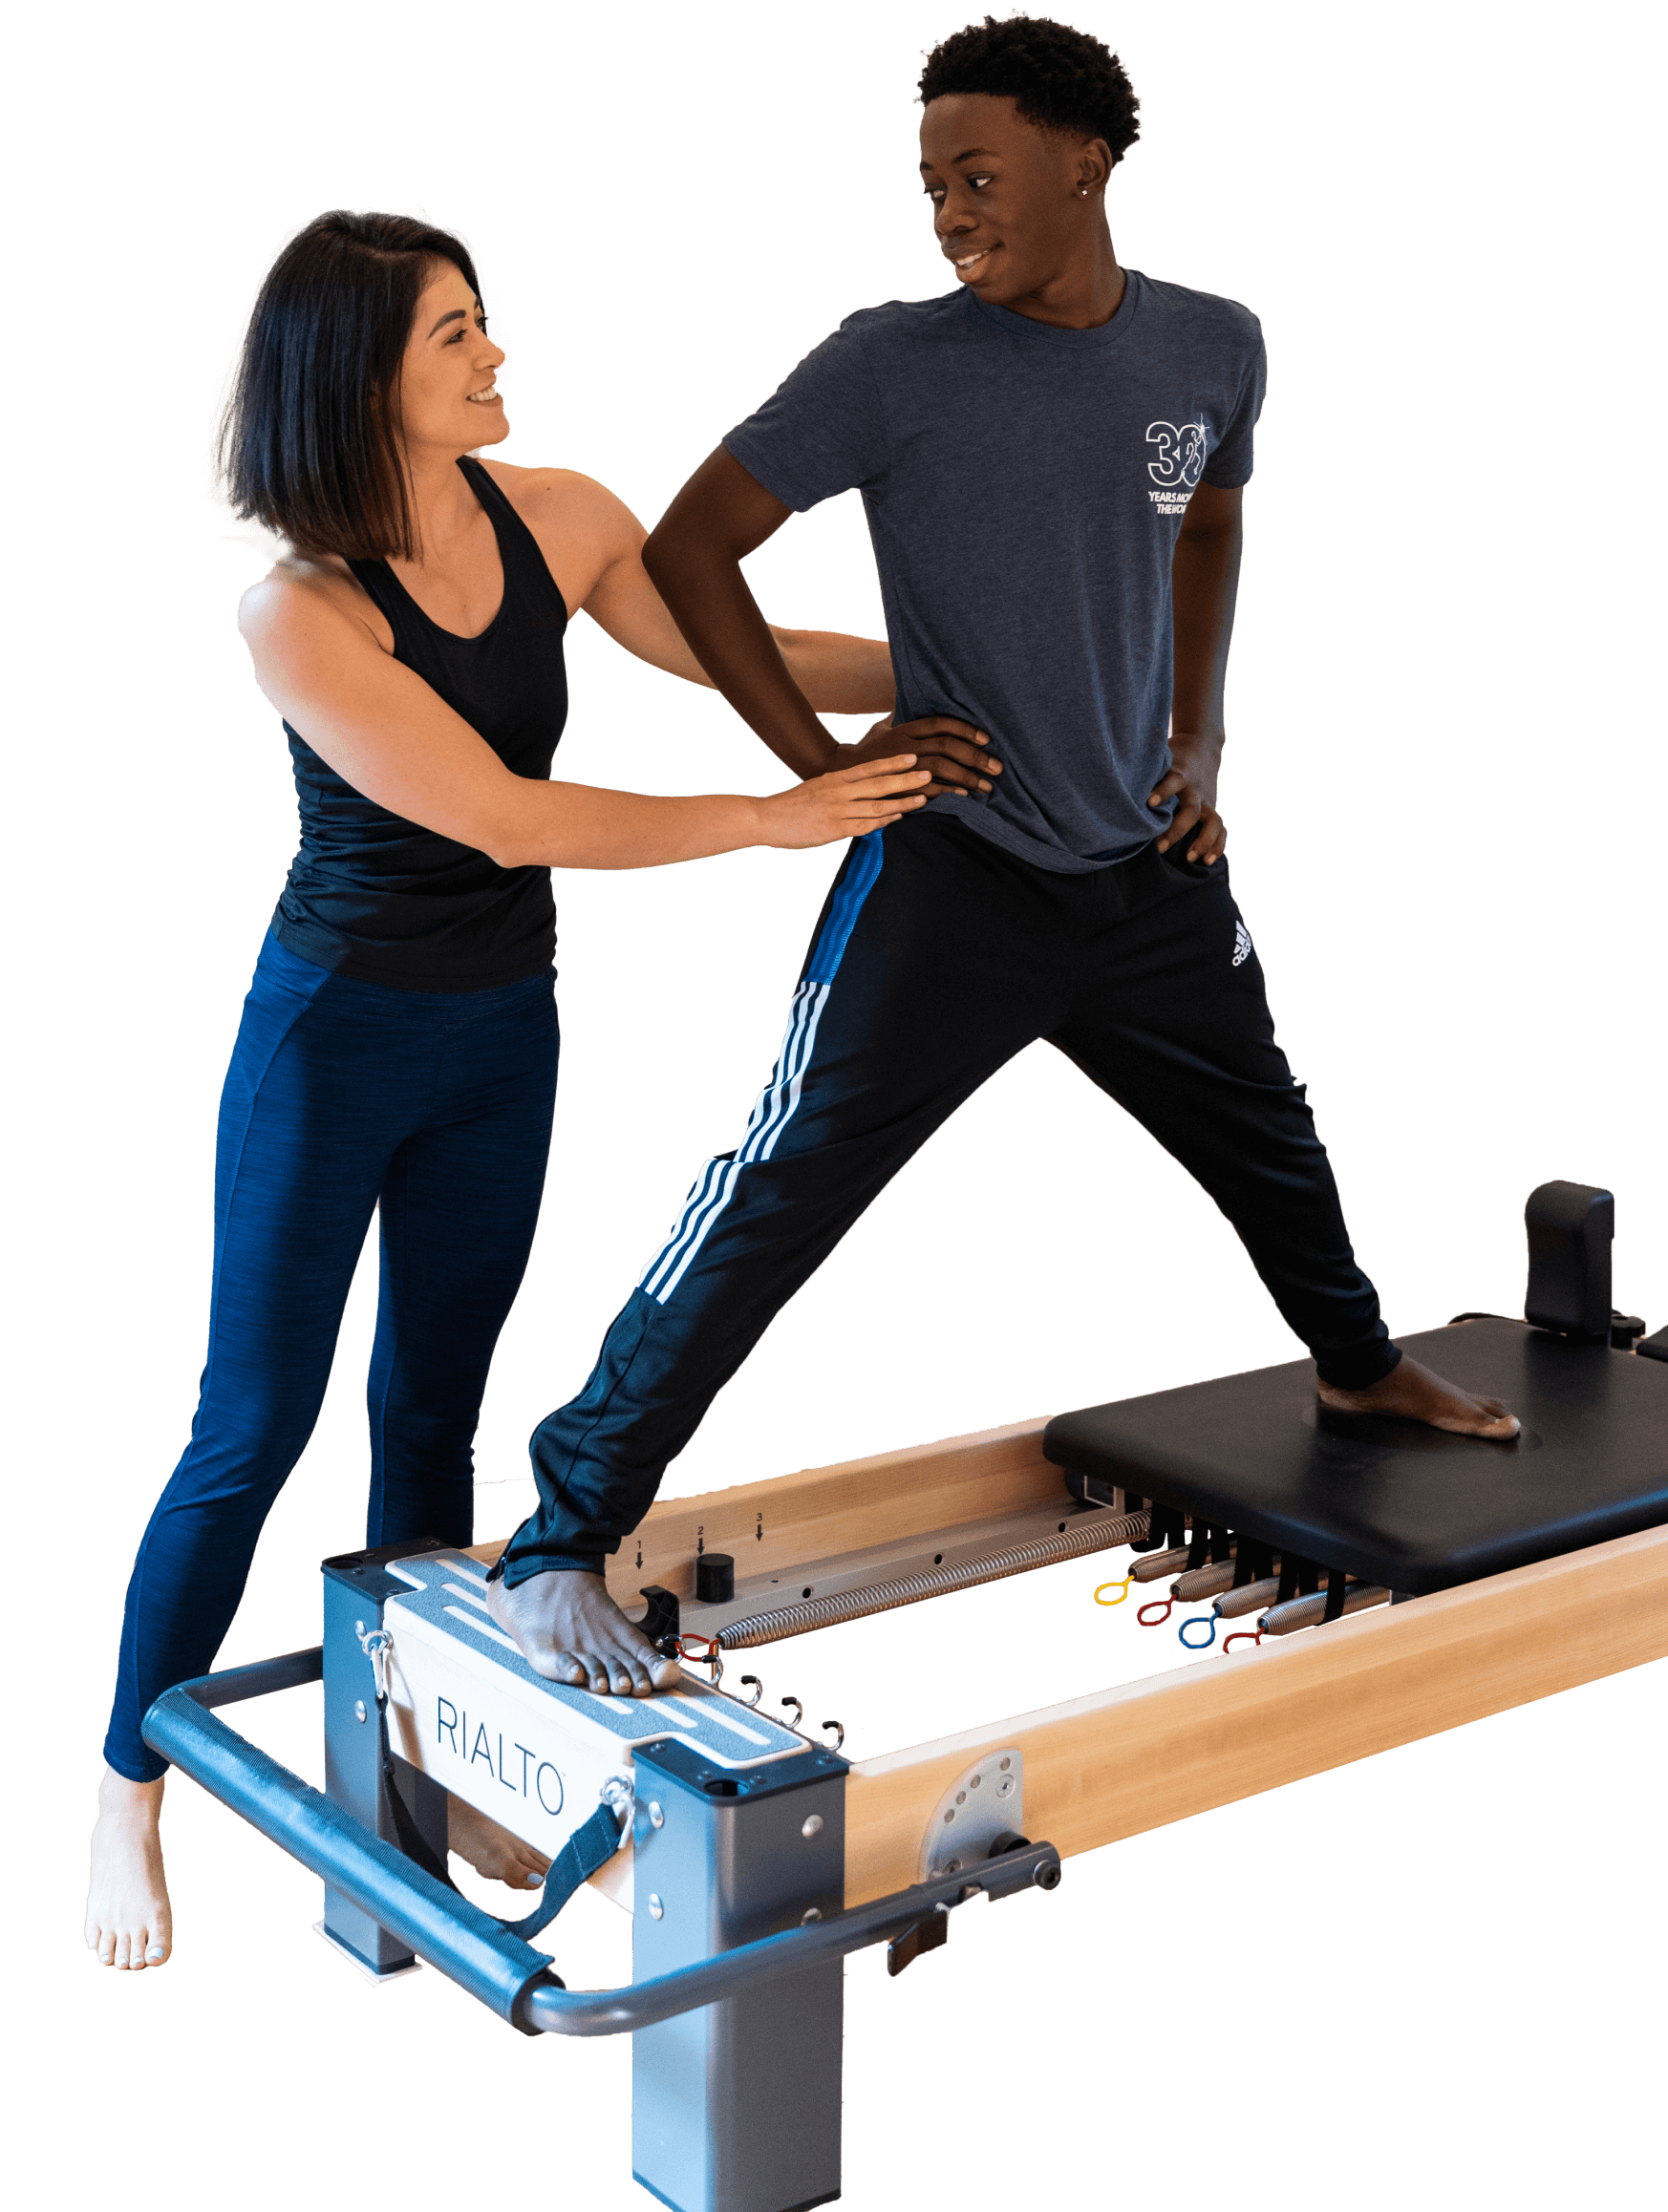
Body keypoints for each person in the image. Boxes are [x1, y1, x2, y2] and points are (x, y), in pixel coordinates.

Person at [481, 16, 1522, 1693]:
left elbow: (1217, 521)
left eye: (980, 174)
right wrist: (819, 766)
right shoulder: (891, 362)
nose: (951, 210)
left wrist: (1200, 745)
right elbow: (690, 546)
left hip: (1144, 867)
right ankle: (556, 1536)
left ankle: (1354, 1365)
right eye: (928, 185)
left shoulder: (1214, 345)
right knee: (770, 1195)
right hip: (951, 876)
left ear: (1086, 160)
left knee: (1273, 1137)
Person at [85, 205, 986, 1972]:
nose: (495, 349)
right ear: (357, 379)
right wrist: (771, 817)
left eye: (483, 317)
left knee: (433, 1414)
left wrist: (988, 673)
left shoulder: (564, 513)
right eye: (453, 333)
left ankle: (411, 1786)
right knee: (249, 1432)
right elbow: (501, 814)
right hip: (334, 1039)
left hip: (505, 1035)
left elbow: (738, 657)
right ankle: (129, 1791)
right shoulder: (300, 611)